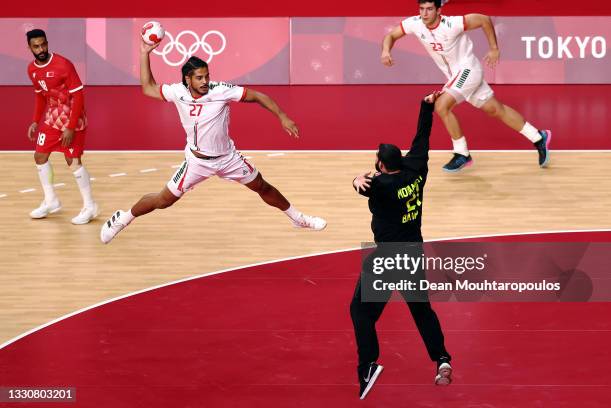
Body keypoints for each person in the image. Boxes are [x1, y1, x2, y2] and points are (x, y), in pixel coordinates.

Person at [100, 39, 326, 244]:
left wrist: (282, 116)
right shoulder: (177, 92)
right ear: (188, 79)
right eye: (199, 77)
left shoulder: (221, 91)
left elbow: (258, 96)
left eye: (207, 76)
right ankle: (124, 218)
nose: (206, 81)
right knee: (163, 200)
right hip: (197, 161)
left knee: (262, 186)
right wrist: (144, 53)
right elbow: (148, 88)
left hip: (228, 157)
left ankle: (298, 218)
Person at [350, 92, 452, 400]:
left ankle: (368, 366)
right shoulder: (416, 170)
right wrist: (426, 106)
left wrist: (356, 180)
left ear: (381, 164)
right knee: (422, 311)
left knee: (361, 312)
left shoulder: (380, 187)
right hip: (413, 254)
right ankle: (442, 359)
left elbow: (362, 187)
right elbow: (422, 136)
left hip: (388, 258)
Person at [381, 0, 551, 172]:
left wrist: (493, 48)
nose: (425, 14)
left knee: (441, 105)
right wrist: (386, 51)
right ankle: (538, 137)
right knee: (495, 109)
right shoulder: (415, 24)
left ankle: (462, 153)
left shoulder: (451, 24)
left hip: (468, 70)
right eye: (422, 9)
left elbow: (484, 19)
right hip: (456, 76)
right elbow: (391, 35)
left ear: (439, 10)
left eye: (430, 9)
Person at [26, 29, 98, 224]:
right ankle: (51, 201)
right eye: (36, 46)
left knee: (72, 161)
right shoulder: (32, 70)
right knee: (39, 156)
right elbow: (41, 96)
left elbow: (79, 95)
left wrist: (71, 126)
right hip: (52, 118)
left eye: (43, 44)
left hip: (73, 118)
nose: (41, 49)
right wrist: (35, 120)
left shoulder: (63, 64)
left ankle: (90, 206)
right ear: (30, 47)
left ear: (47, 43)